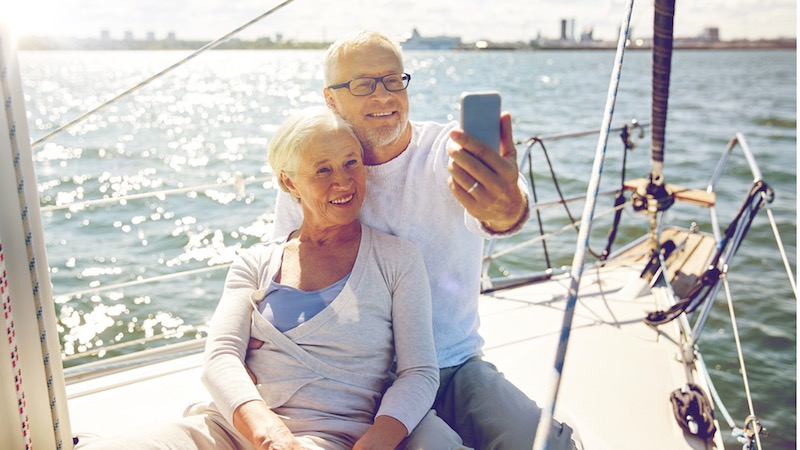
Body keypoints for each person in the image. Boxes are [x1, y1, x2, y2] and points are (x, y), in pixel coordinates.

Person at [77, 107, 463, 450]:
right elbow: (221, 358)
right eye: (322, 169)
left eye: (351, 163)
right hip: (231, 430)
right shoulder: (255, 262)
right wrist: (269, 436)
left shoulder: (396, 259)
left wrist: (375, 443)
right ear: (290, 183)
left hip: (330, 437)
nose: (343, 182)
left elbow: (418, 373)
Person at [271, 31, 576, 450]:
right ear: (331, 99)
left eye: (393, 80)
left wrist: (505, 208)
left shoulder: (446, 153)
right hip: (358, 379)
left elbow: (502, 214)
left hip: (453, 364)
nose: (383, 96)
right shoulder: (313, 173)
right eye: (363, 84)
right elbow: (286, 275)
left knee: (544, 442)